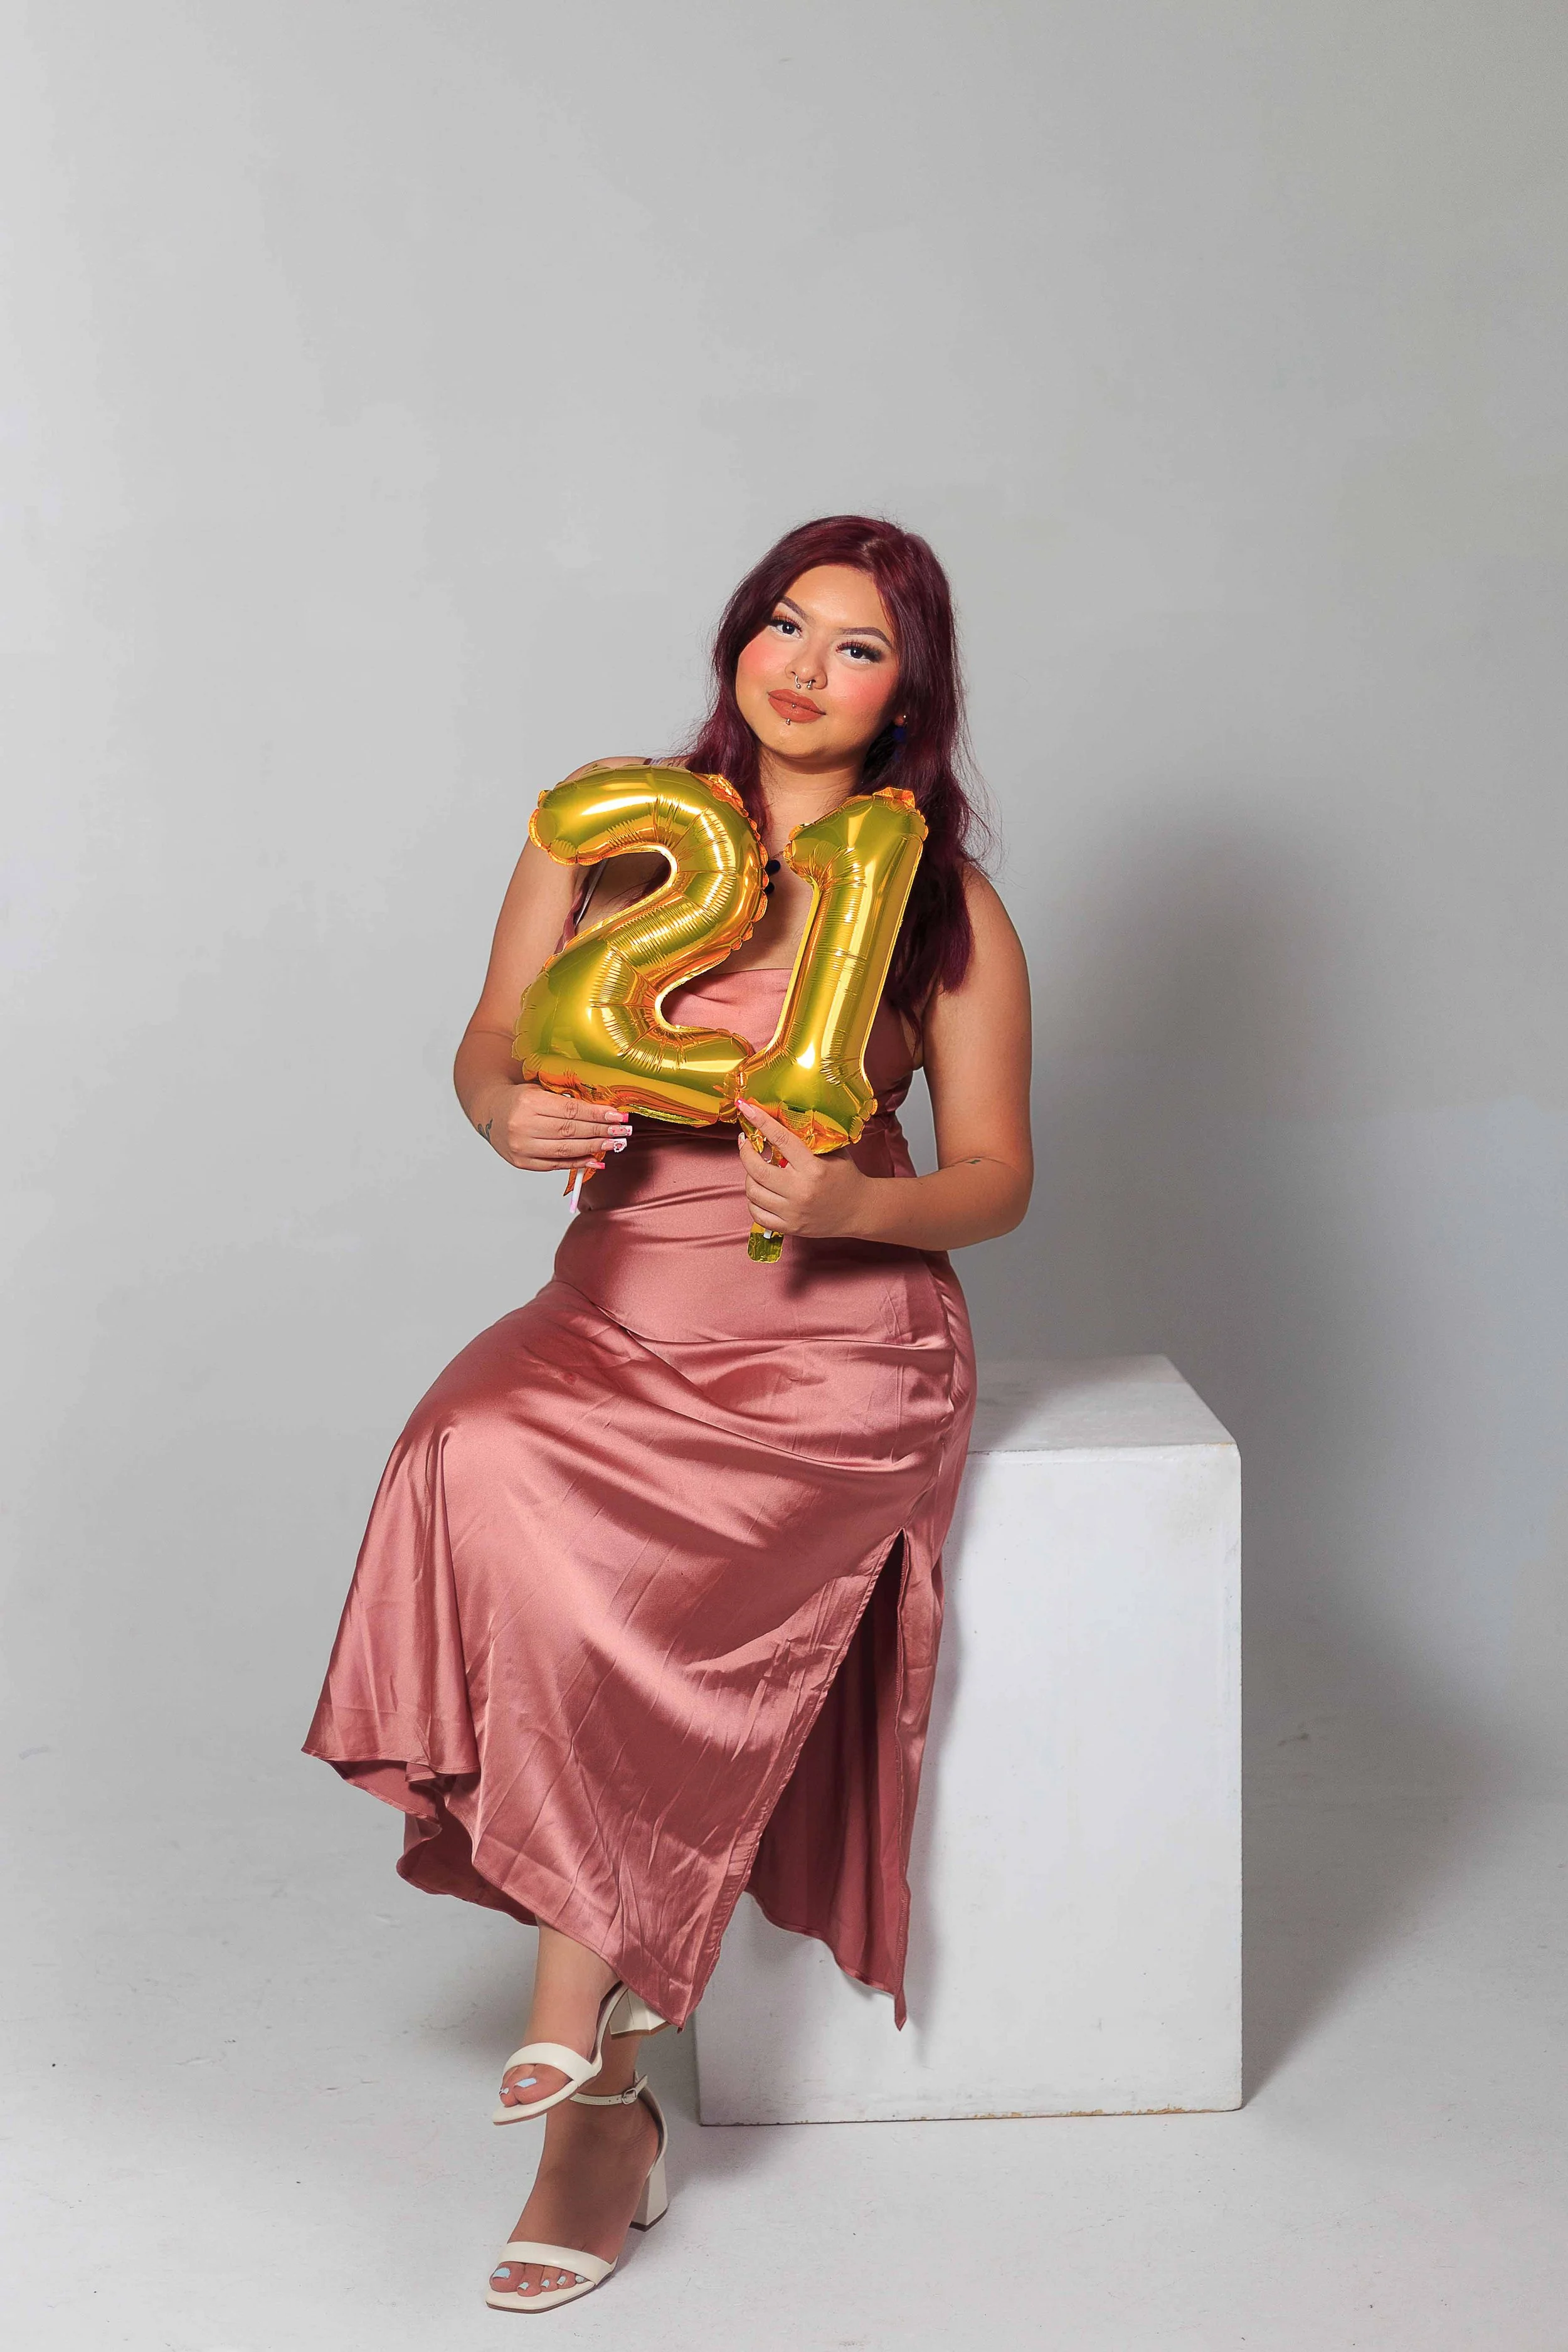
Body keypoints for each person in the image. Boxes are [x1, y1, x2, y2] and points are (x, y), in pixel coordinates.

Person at [303, 514, 1033, 2312]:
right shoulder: (623, 845)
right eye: (780, 624)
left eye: (853, 645)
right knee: (469, 1456)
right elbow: (488, 1040)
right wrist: (503, 1112)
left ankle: (585, 2073)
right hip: (616, 1300)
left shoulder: (933, 901)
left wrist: (863, 1201)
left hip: (833, 1335)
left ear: (905, 694)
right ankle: (607, 2072)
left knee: (635, 1574)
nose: (801, 664)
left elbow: (1001, 1172)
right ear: (733, 642)